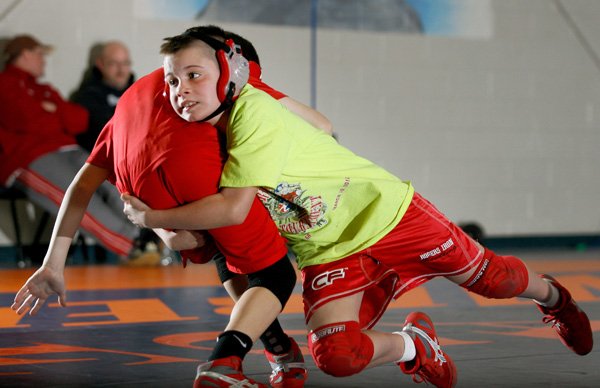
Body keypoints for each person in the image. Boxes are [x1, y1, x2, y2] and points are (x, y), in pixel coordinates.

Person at [121, 28, 594, 388]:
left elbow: (230, 209)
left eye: (193, 75)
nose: (179, 90)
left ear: (234, 73)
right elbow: (322, 127)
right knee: (337, 356)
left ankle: (555, 298)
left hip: (385, 215)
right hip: (326, 246)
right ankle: (415, 345)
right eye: (170, 80)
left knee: (494, 281)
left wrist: (151, 219)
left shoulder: (254, 111)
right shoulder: (200, 135)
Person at [10, 60, 313, 388]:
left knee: (222, 249)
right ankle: (224, 361)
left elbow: (81, 187)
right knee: (275, 274)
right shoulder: (226, 71)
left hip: (143, 183)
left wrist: (54, 264)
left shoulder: (133, 104)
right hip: (197, 180)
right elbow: (315, 125)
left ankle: (277, 347)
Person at [0, 34, 159, 265]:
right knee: (75, 200)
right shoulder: (5, 84)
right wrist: (55, 113)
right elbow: (26, 121)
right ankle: (134, 246)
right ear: (25, 55)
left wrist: (49, 111)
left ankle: (148, 236)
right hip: (28, 157)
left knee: (111, 184)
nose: (44, 61)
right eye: (40, 55)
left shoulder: (44, 89)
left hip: (67, 149)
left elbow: (79, 120)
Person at [71, 40, 134, 152]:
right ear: (100, 64)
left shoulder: (139, 93)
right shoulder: (87, 96)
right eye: (113, 63)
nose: (121, 70)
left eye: (125, 63)